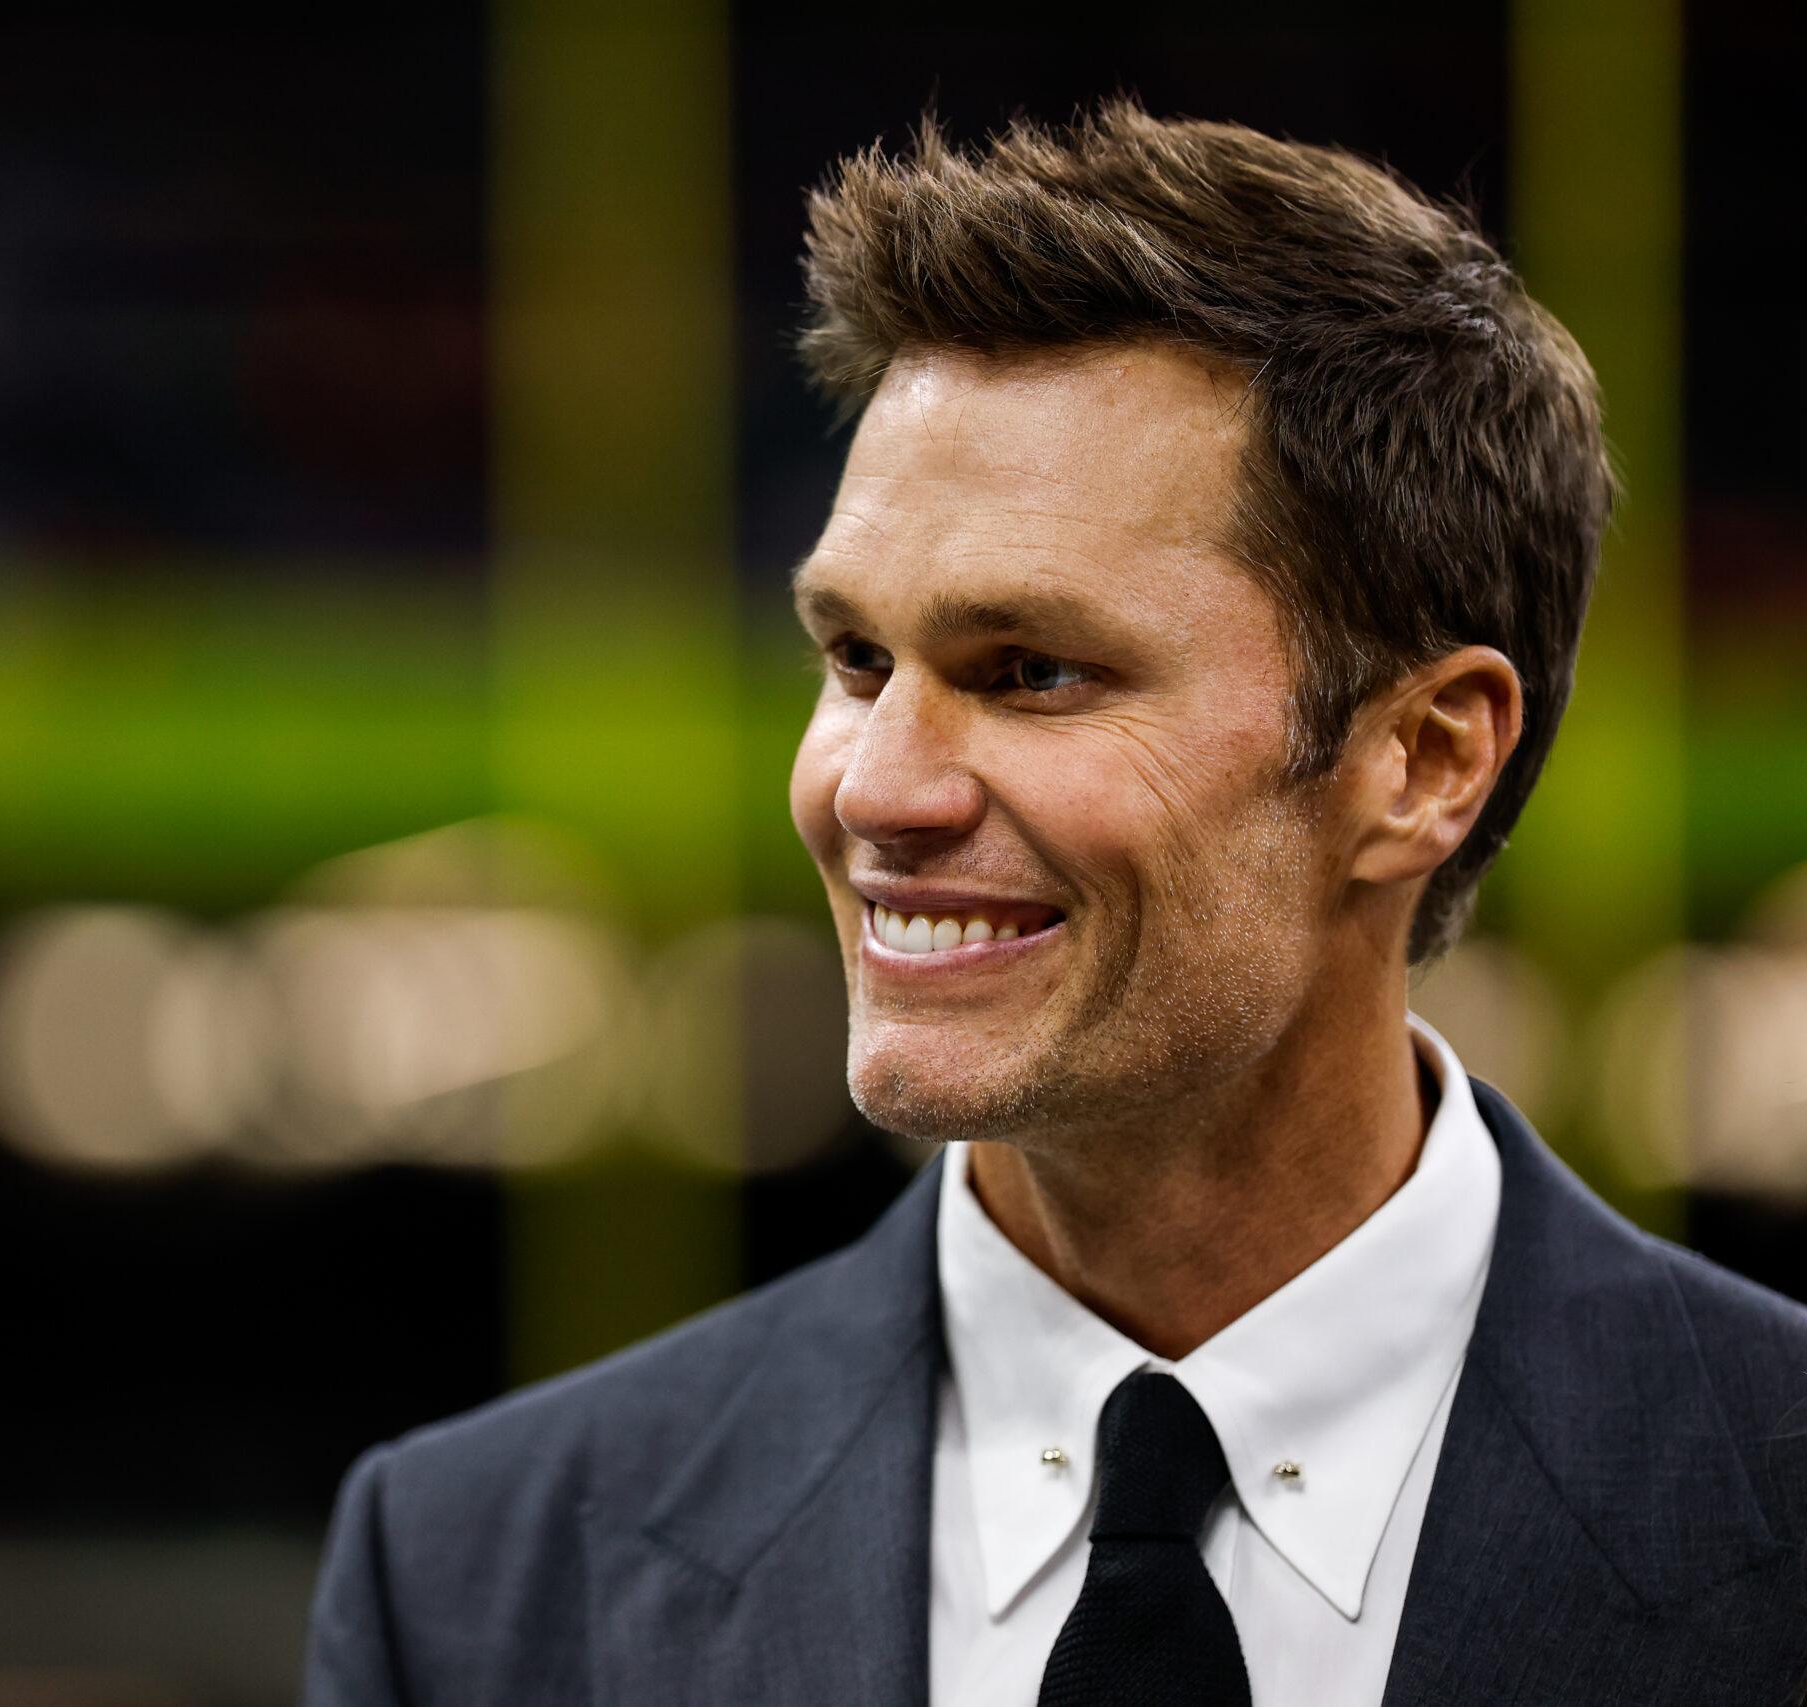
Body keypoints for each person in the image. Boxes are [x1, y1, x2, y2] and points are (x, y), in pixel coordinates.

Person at [300, 99, 1807, 1706]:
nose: (874, 791)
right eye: (855, 659)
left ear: (1422, 761)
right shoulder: (468, 1584)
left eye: (1030, 672)